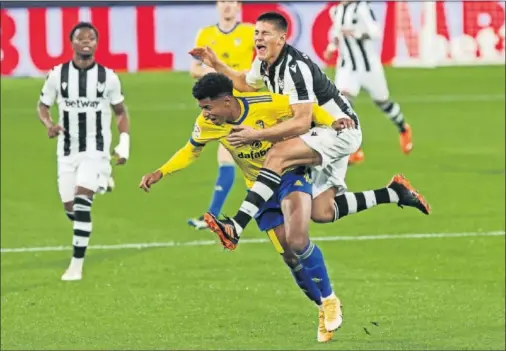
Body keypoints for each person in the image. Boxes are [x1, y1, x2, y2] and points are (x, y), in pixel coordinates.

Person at [139, 73, 352, 343]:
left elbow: (306, 111)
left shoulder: (266, 103)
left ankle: (330, 298)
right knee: (289, 257)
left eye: (208, 107)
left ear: (227, 101)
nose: (205, 114)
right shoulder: (207, 123)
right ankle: (322, 308)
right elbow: (190, 150)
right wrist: (161, 172)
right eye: (201, 108)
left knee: (298, 240)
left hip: (290, 176)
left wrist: (334, 121)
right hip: (259, 192)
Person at [190, 12, 430, 250]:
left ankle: (237, 225)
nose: (258, 38)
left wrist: (255, 134)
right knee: (322, 211)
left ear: (281, 39)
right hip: (322, 134)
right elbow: (245, 84)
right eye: (256, 33)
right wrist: (217, 65)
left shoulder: (295, 69)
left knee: (277, 154)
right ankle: (394, 193)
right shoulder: (264, 62)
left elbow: (302, 122)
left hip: (338, 130)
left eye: (265, 33)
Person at [37, 22, 130, 281]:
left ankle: (76, 266)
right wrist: (48, 124)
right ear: (72, 43)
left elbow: (120, 111)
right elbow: (43, 106)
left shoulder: (108, 77)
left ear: (97, 44)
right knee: (71, 208)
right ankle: (102, 183)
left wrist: (124, 143)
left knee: (81, 203)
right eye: (81, 38)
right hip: (67, 150)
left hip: (96, 149)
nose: (87, 41)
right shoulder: (58, 75)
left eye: (91, 38)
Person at [187, 0, 256, 230]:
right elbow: (194, 69)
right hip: (222, 108)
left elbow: (262, 64)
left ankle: (214, 215)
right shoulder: (206, 34)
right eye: (223, 1)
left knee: (247, 159)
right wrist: (209, 70)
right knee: (233, 158)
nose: (227, 6)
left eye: (232, 2)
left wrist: (245, 74)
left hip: (246, 104)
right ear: (217, 6)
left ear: (239, 6)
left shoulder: (249, 32)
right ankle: (213, 215)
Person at [324, 0, 413, 164]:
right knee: (342, 105)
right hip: (347, 67)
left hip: (368, 68)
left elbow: (375, 32)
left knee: (383, 102)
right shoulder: (336, 11)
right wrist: (331, 47)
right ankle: (354, 150)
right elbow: (336, 35)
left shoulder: (362, 8)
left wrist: (356, 33)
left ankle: (403, 128)